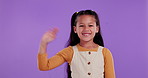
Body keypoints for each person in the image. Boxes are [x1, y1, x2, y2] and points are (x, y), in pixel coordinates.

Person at [37, 10, 116, 78]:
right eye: (81, 26)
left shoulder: (104, 53)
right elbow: (44, 66)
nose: (86, 29)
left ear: (97, 29)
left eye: (90, 25)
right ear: (75, 29)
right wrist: (43, 44)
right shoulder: (70, 51)